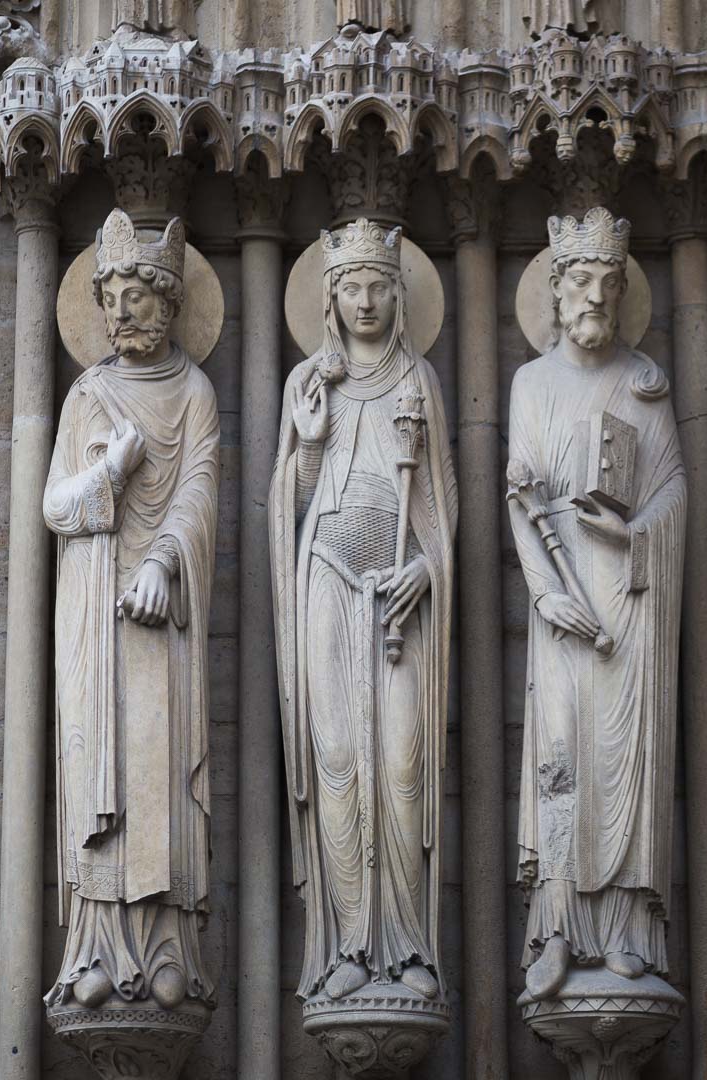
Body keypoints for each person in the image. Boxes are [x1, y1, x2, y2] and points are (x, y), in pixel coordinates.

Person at [269, 219, 457, 1003]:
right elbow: (289, 505)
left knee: (404, 761)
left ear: (400, 294)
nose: (367, 300)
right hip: (328, 580)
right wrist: (308, 446)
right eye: (351, 287)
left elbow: (444, 507)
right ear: (330, 299)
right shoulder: (308, 385)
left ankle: (409, 948)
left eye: (381, 286)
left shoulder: (420, 385)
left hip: (398, 595)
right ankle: (350, 944)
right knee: (338, 761)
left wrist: (428, 567)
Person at [43, 209, 220, 1012]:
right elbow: (54, 506)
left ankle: (165, 946)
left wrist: (161, 562)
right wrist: (109, 474)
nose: (118, 311)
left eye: (135, 297)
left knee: (155, 769)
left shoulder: (194, 392)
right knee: (96, 768)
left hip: (162, 607)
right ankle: (93, 946)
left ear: (171, 301)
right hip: (93, 612)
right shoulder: (87, 392)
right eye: (109, 296)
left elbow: (200, 493)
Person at [509, 207, 686, 1000]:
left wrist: (631, 533)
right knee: (563, 755)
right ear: (555, 289)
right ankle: (556, 930)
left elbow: (676, 493)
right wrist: (546, 595)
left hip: (631, 602)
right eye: (580, 280)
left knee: (622, 763)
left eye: (608, 284)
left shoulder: (646, 385)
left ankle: (624, 929)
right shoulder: (530, 384)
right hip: (566, 610)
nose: (594, 297)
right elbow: (520, 496)